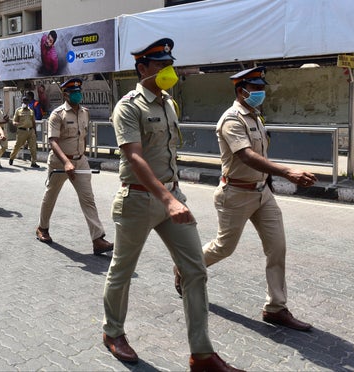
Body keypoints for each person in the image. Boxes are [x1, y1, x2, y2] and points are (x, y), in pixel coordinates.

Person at [101, 38, 241, 371]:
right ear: (142, 69)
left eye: (170, 65)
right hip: (138, 198)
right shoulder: (128, 106)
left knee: (195, 270)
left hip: (171, 196)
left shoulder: (168, 104)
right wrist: (166, 199)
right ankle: (113, 332)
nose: (169, 71)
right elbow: (134, 156)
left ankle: (202, 354)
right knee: (121, 270)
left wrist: (172, 196)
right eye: (161, 66)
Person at [172, 66, 318, 332]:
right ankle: (184, 266)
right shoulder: (231, 119)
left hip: (262, 193)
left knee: (277, 248)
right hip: (235, 194)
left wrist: (270, 184)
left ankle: (276, 307)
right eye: (256, 88)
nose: (261, 92)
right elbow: (246, 155)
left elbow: (260, 156)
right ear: (241, 91)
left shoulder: (256, 116)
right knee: (224, 247)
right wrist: (288, 171)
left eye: (262, 88)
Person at [35, 78, 113, 255]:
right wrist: (66, 161)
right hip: (59, 162)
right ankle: (42, 228)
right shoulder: (57, 114)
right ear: (65, 94)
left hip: (80, 161)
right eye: (73, 92)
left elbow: (83, 136)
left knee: (88, 198)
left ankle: (97, 239)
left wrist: (80, 156)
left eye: (79, 91)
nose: (77, 95)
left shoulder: (85, 112)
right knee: (51, 195)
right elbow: (53, 141)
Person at [9, 96, 40, 168]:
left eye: (26, 102)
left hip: (31, 131)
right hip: (21, 131)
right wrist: (15, 123)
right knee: (18, 146)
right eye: (23, 101)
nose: (25, 103)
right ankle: (11, 158)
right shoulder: (18, 110)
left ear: (28, 102)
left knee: (33, 147)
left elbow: (33, 122)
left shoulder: (31, 111)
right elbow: (14, 121)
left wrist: (35, 132)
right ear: (21, 102)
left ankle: (33, 162)